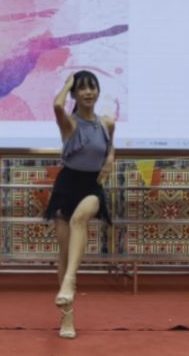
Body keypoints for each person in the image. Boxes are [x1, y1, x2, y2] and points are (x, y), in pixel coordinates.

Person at [45, 70, 115, 339]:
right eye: (82, 88)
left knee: (80, 219)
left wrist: (110, 158)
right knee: (64, 254)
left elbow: (110, 146)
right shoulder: (69, 124)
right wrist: (67, 83)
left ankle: (69, 281)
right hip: (67, 186)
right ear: (74, 94)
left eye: (92, 87)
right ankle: (67, 317)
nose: (88, 92)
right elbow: (57, 105)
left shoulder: (107, 123)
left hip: (91, 186)